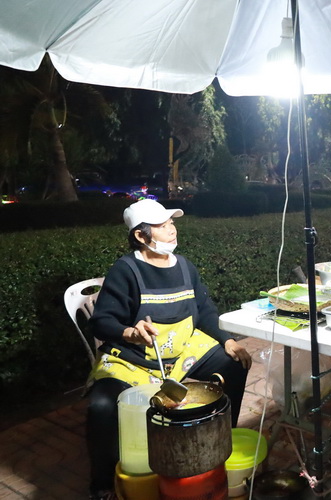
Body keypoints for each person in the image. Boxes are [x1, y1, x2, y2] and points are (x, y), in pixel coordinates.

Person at [86, 199, 252, 500]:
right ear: (141, 235)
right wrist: (130, 332)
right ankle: (101, 483)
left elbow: (205, 311)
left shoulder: (185, 267)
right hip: (134, 359)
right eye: (162, 226)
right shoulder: (126, 270)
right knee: (101, 406)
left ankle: (221, 440)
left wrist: (227, 340)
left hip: (180, 353)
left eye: (171, 223)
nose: (172, 230)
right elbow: (101, 322)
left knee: (234, 363)